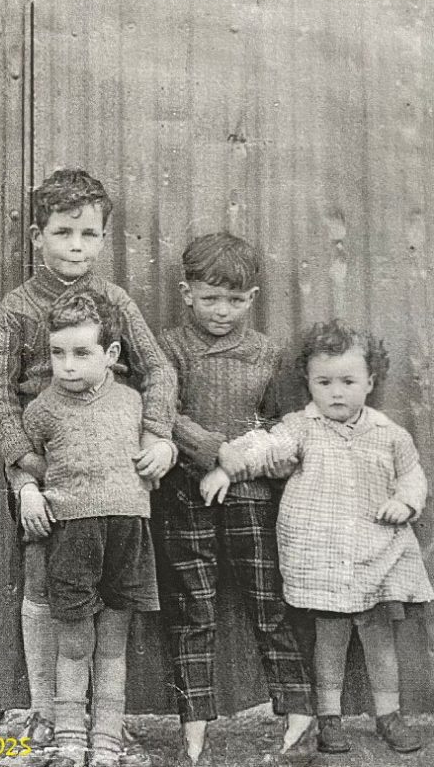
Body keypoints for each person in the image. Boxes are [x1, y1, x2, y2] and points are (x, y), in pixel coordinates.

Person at [0, 168, 177, 757]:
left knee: (111, 598)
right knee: (45, 582)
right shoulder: (16, 307)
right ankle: (49, 714)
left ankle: (104, 722)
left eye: (89, 234)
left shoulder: (114, 301)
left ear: (103, 238)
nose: (76, 246)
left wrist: (158, 435)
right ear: (38, 236)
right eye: (63, 232)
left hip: (109, 464)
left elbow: (159, 369)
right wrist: (24, 472)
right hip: (44, 461)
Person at [201, 319, 432, 755]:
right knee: (330, 638)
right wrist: (226, 468)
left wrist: (405, 502)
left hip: (378, 553)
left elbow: (412, 476)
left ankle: (389, 715)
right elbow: (264, 446)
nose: (336, 393)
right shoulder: (301, 427)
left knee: (379, 637)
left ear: (370, 382)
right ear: (308, 382)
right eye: (324, 382)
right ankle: (329, 717)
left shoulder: (390, 434)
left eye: (348, 381)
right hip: (325, 558)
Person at [154, 233, 313, 764]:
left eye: (236, 299)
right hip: (184, 491)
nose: (222, 311)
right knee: (192, 609)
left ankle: (298, 711)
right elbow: (163, 415)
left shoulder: (267, 353)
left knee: (268, 602)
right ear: (187, 293)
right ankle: (194, 723)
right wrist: (213, 453)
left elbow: (280, 426)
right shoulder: (169, 349)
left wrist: (235, 462)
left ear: (253, 297)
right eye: (210, 298)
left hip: (249, 492)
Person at [22, 290, 173, 767]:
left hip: (127, 533)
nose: (67, 365)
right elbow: (22, 462)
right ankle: (69, 737)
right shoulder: (41, 410)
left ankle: (106, 738)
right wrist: (26, 491)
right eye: (57, 352)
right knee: (73, 644)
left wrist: (164, 448)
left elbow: (160, 444)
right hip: (71, 536)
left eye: (81, 353)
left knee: (112, 645)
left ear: (110, 354)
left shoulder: (133, 403)